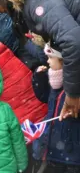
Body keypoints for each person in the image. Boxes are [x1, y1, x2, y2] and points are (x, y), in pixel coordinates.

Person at [32, 43, 80, 172]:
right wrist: (39, 78)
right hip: (53, 143)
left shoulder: (74, 85)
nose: (47, 61)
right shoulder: (53, 78)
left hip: (71, 148)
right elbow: (44, 97)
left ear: (63, 61)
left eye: (50, 57)